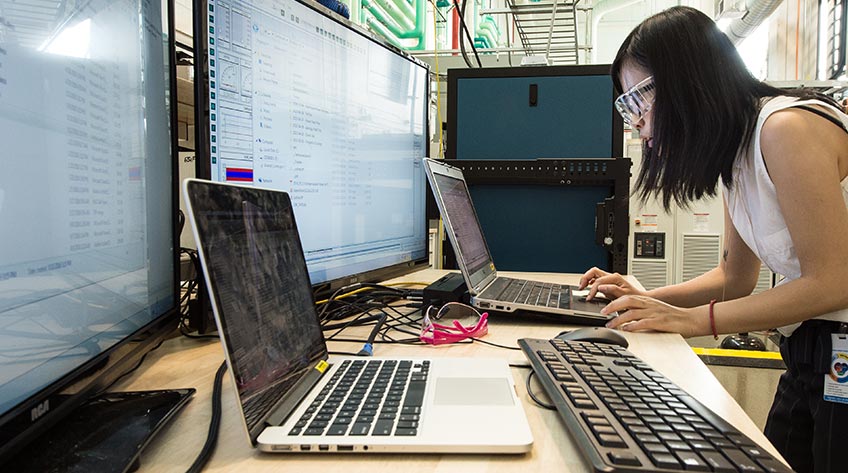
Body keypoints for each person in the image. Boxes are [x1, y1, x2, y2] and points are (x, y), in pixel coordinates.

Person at [577, 6, 848, 473]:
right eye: (626, 105)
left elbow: (833, 283)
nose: (634, 121)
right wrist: (643, 301)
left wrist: (690, 321)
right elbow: (735, 278)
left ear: (685, 80)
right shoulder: (736, 154)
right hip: (809, 343)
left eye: (637, 99)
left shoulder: (785, 129)